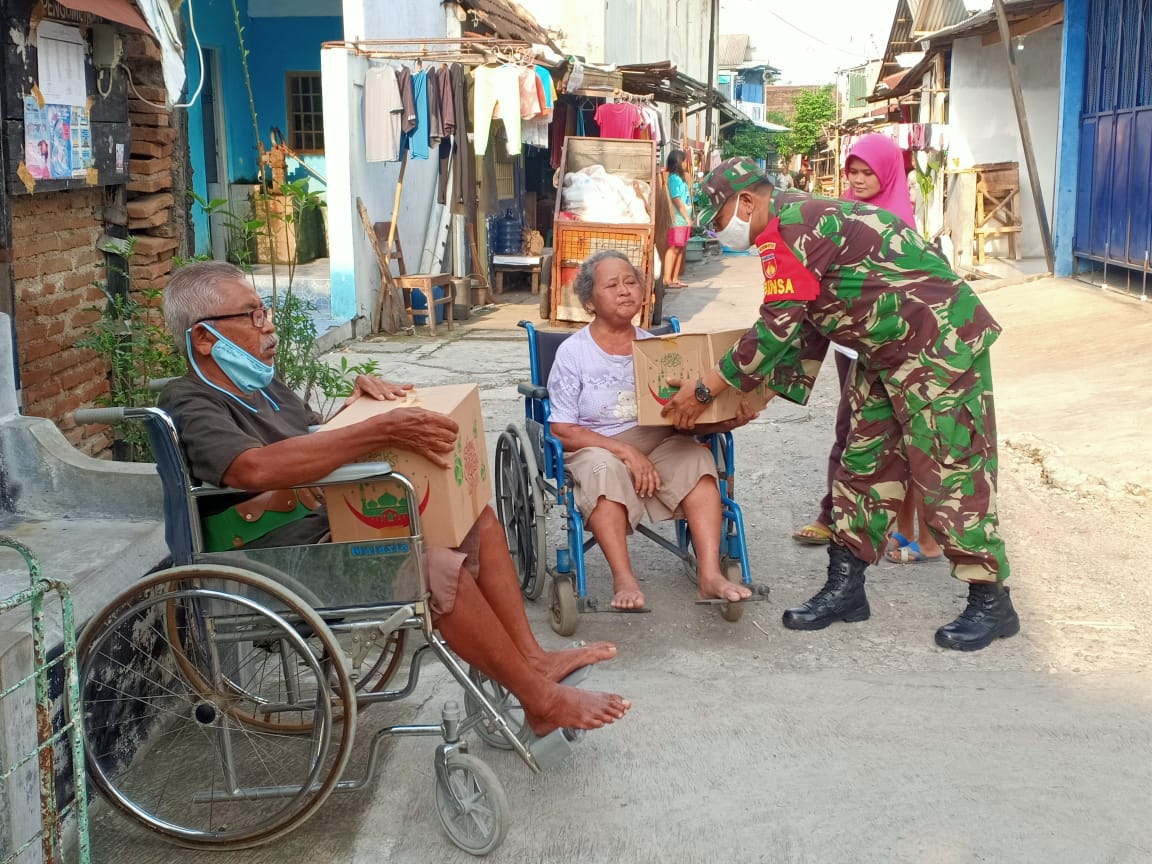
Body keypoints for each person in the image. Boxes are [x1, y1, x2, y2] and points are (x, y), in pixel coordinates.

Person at [157, 261, 631, 735]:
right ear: (204, 339)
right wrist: (371, 430)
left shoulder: (262, 388)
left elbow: (311, 440)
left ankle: (533, 660)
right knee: (436, 565)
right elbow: (253, 468)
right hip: (290, 558)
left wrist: (355, 410)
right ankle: (540, 701)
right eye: (253, 314)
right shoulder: (192, 400)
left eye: (265, 310)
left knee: (476, 520)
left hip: (331, 528)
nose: (268, 324)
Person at [661, 157, 1019, 652]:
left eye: (719, 221)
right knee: (862, 464)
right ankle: (846, 588)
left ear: (746, 201)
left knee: (949, 472)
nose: (722, 233)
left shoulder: (794, 227)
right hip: (884, 352)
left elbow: (776, 326)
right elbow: (806, 326)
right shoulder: (785, 228)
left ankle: (991, 601)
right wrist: (754, 397)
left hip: (938, 346)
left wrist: (707, 389)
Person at [547, 250, 756, 611]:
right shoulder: (573, 353)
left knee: (697, 459)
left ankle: (709, 574)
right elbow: (562, 428)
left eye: (631, 282)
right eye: (611, 285)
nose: (625, 290)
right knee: (604, 469)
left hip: (657, 439)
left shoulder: (659, 350)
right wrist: (627, 452)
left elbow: (684, 416)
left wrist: (726, 419)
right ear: (589, 302)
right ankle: (624, 579)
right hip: (593, 444)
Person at [792, 134, 944, 565]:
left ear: (888, 172)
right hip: (851, 342)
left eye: (867, 173)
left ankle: (909, 534)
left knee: (902, 433)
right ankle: (870, 524)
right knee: (853, 426)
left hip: (894, 344)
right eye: (852, 172)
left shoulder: (899, 222)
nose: (857, 180)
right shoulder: (842, 211)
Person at [663, 150, 693, 289]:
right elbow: (676, 199)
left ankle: (675, 278)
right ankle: (667, 279)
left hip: (684, 219)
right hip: (678, 219)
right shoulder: (674, 178)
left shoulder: (681, 178)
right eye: (685, 161)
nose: (686, 163)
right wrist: (686, 217)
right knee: (674, 247)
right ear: (679, 162)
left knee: (680, 248)